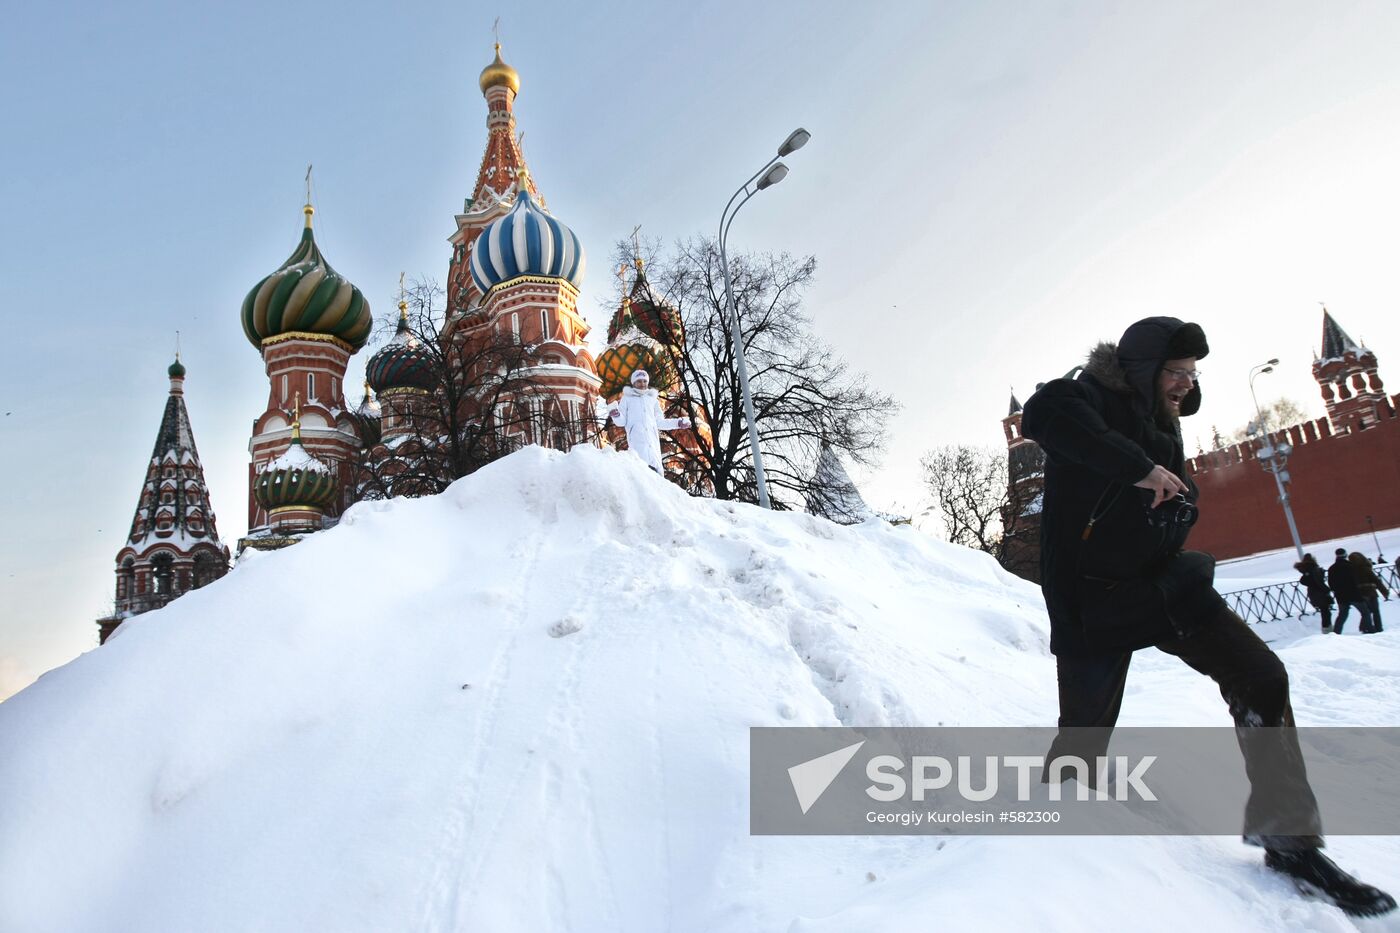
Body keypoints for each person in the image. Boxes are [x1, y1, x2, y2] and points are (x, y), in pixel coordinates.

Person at [1022, 316, 1394, 917]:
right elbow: (1049, 419)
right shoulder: (1078, 395)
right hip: (1094, 599)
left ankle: (1290, 839)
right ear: (1142, 369)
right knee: (1084, 736)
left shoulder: (1164, 422)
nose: (1185, 385)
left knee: (1262, 676)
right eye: (1176, 372)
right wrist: (1137, 468)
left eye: (1193, 374)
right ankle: (1047, 863)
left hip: (1167, 585)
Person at [608, 369, 692, 476]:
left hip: (653, 445)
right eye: (639, 381)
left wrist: (678, 423)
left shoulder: (652, 400)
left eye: (644, 381)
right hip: (637, 442)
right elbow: (621, 421)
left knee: (655, 476)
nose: (642, 384)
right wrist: (616, 415)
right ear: (633, 383)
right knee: (641, 472)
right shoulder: (627, 399)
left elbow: (660, 422)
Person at [1327, 548, 1375, 635]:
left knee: (1342, 615)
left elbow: (1331, 584)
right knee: (1365, 612)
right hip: (1354, 594)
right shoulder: (1350, 566)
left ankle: (1336, 633)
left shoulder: (1332, 568)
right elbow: (1356, 580)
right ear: (1345, 555)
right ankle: (1369, 630)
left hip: (1341, 596)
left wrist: (1337, 591)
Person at [1348, 551, 1388, 633]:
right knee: (1375, 611)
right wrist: (1385, 592)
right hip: (1371, 592)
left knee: (1367, 611)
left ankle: (1364, 627)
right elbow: (1377, 581)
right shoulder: (1366, 568)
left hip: (1360, 593)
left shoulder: (1350, 570)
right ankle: (1378, 627)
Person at [1295, 553, 1333, 633]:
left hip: (1313, 593)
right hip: (1320, 592)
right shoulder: (1313, 569)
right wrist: (1326, 589)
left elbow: (1304, 581)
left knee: (1325, 611)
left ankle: (1327, 629)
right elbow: (1318, 582)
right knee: (1325, 611)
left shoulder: (1307, 571)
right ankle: (1327, 629)